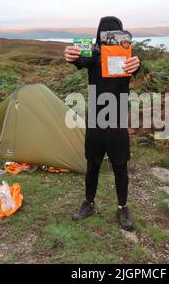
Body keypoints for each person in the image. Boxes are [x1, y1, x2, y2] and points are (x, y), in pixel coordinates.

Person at [64, 16, 141, 231]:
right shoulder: (93, 54)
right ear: (99, 35)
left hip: (117, 121)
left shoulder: (127, 57)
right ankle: (88, 204)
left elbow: (135, 66)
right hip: (96, 121)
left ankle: (122, 207)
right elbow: (80, 60)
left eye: (114, 32)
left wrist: (139, 63)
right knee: (92, 165)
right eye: (105, 33)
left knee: (120, 167)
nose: (109, 37)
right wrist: (71, 56)